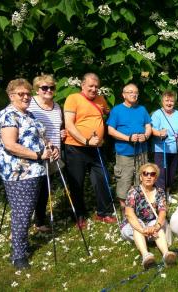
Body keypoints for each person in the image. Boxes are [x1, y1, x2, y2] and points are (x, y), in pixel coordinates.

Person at [0, 79, 58, 269]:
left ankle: (21, 246)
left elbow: (40, 136)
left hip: (35, 170)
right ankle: (19, 255)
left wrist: (51, 146)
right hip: (19, 172)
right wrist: (38, 154)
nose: (25, 97)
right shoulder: (7, 115)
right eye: (21, 94)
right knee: (22, 213)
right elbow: (10, 145)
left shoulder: (28, 115)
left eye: (28, 94)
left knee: (26, 211)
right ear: (11, 95)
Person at [64, 73, 116, 228]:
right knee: (76, 182)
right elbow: (69, 124)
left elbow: (111, 113)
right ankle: (78, 215)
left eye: (96, 86)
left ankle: (103, 212)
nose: (94, 89)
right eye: (90, 86)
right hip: (76, 147)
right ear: (82, 85)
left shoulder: (101, 99)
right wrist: (85, 140)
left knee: (102, 179)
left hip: (96, 148)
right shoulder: (73, 98)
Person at [121, 163, 177, 269]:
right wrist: (142, 230)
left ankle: (167, 254)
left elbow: (162, 212)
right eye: (145, 174)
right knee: (137, 224)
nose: (148, 176)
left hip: (151, 228)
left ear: (155, 178)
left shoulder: (159, 192)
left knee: (157, 226)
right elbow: (129, 213)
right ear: (141, 177)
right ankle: (146, 256)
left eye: (152, 174)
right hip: (133, 226)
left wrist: (156, 226)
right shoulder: (133, 191)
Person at [28, 74, 66, 232]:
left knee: (45, 188)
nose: (48, 90)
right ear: (37, 90)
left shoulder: (57, 106)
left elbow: (56, 128)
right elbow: (29, 131)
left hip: (53, 153)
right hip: (35, 153)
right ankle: (22, 223)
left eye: (51, 87)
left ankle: (39, 221)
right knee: (31, 189)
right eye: (44, 88)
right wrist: (45, 145)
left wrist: (61, 134)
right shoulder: (30, 105)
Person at [107, 83, 152, 210]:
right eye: (130, 92)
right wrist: (128, 138)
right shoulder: (117, 110)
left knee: (142, 178)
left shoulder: (142, 109)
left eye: (136, 92)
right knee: (124, 180)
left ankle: (139, 206)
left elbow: (148, 126)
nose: (134, 94)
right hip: (124, 152)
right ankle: (124, 209)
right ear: (123, 95)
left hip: (141, 151)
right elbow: (110, 130)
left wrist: (146, 136)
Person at [151, 90, 178, 195]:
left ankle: (167, 192)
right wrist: (159, 133)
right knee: (161, 173)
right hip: (161, 148)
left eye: (171, 101)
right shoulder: (157, 114)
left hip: (174, 148)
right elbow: (152, 129)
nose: (169, 103)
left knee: (171, 173)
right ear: (162, 101)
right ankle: (160, 196)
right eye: (167, 100)